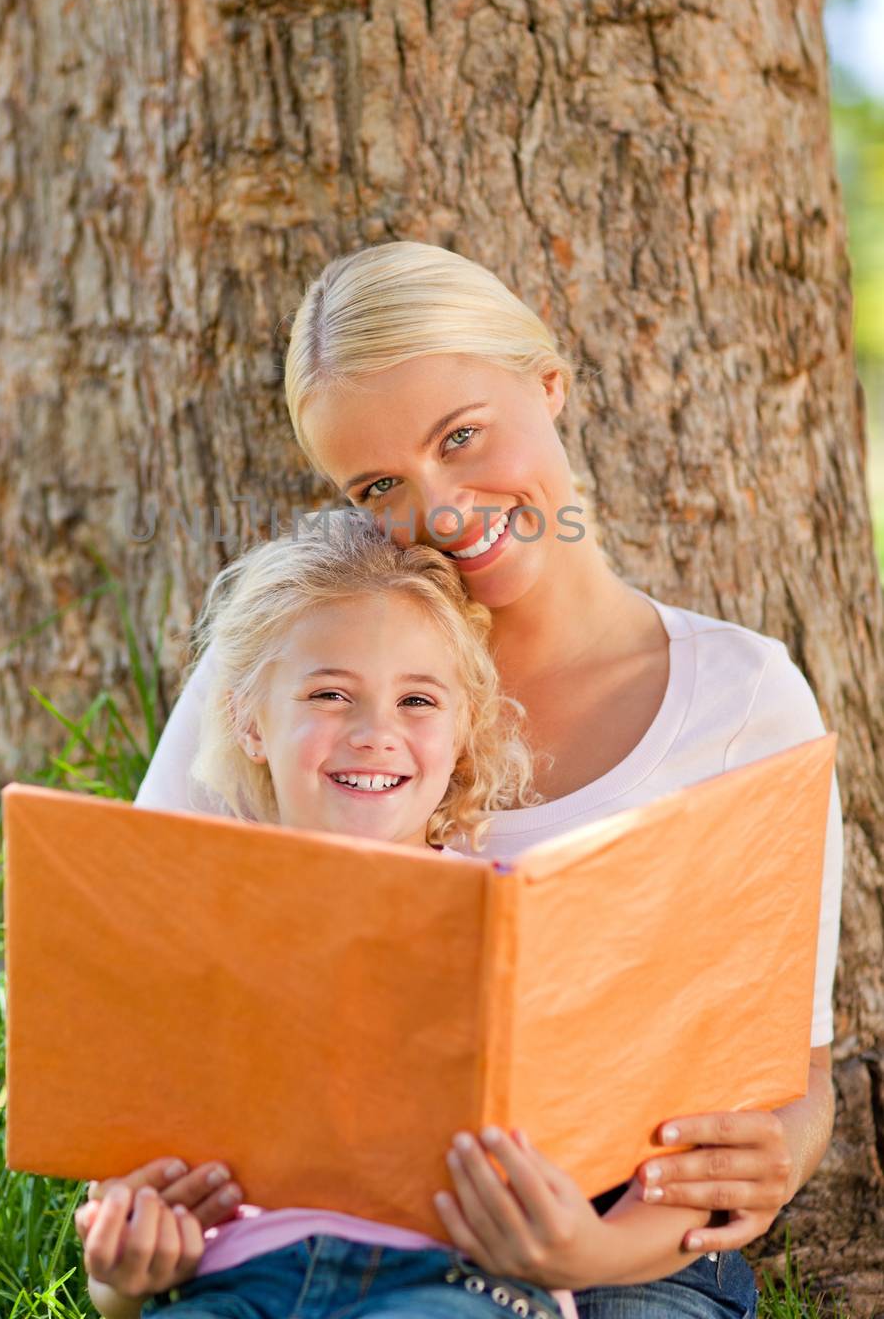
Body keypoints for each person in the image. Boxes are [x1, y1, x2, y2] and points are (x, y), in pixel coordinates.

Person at [123, 242, 842, 1319]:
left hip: (630, 1227)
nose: (446, 510)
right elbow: (148, 1001)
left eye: (461, 435)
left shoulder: (739, 696)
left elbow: (797, 1077)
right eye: (381, 485)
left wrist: (757, 1167)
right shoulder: (287, 684)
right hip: (329, 1217)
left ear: (547, 382)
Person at [78, 506, 715, 1319]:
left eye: (418, 700)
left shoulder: (524, 920)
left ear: (462, 735)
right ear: (249, 720)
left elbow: (646, 1132)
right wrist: (123, 1272)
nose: (376, 733)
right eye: (331, 694)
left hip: (458, 1283)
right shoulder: (195, 923)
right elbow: (116, 1253)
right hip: (239, 1281)